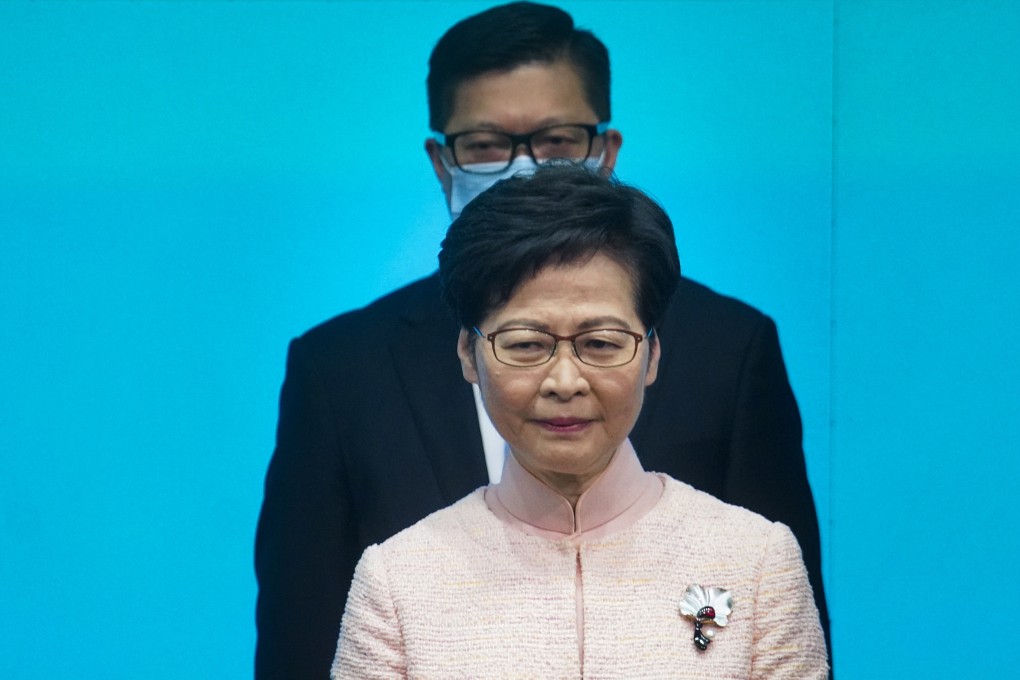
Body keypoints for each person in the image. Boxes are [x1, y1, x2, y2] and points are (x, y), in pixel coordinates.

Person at [255, 3, 830, 678]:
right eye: (487, 145)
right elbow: (300, 636)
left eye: (557, 141)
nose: (526, 171)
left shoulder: (729, 350)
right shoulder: (340, 373)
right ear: (443, 161)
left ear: (606, 151)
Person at [332, 165, 829, 678]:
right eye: (526, 344)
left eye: (601, 343)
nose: (565, 382)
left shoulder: (756, 562)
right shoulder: (397, 582)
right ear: (467, 353)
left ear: (652, 354)